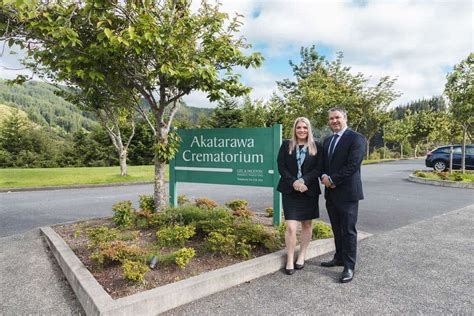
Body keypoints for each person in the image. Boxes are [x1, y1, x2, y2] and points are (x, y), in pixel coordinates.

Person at [320, 107, 366, 283]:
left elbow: (353, 165)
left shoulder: (357, 138)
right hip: (330, 194)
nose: (334, 121)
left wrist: (332, 179)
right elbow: (323, 163)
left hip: (347, 193)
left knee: (348, 230)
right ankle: (338, 257)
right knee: (336, 228)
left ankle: (349, 266)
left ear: (345, 118)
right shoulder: (328, 140)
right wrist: (324, 176)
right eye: (331, 118)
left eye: (337, 118)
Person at [277, 117, 323, 275]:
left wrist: (304, 180)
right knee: (290, 227)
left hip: (308, 191)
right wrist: (294, 182)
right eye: (299, 128)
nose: (302, 130)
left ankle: (301, 255)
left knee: (307, 225)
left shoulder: (316, 146)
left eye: (305, 127)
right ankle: (290, 258)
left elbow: (319, 168)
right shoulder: (286, 145)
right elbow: (281, 167)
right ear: (294, 129)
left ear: (308, 129)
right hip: (290, 190)